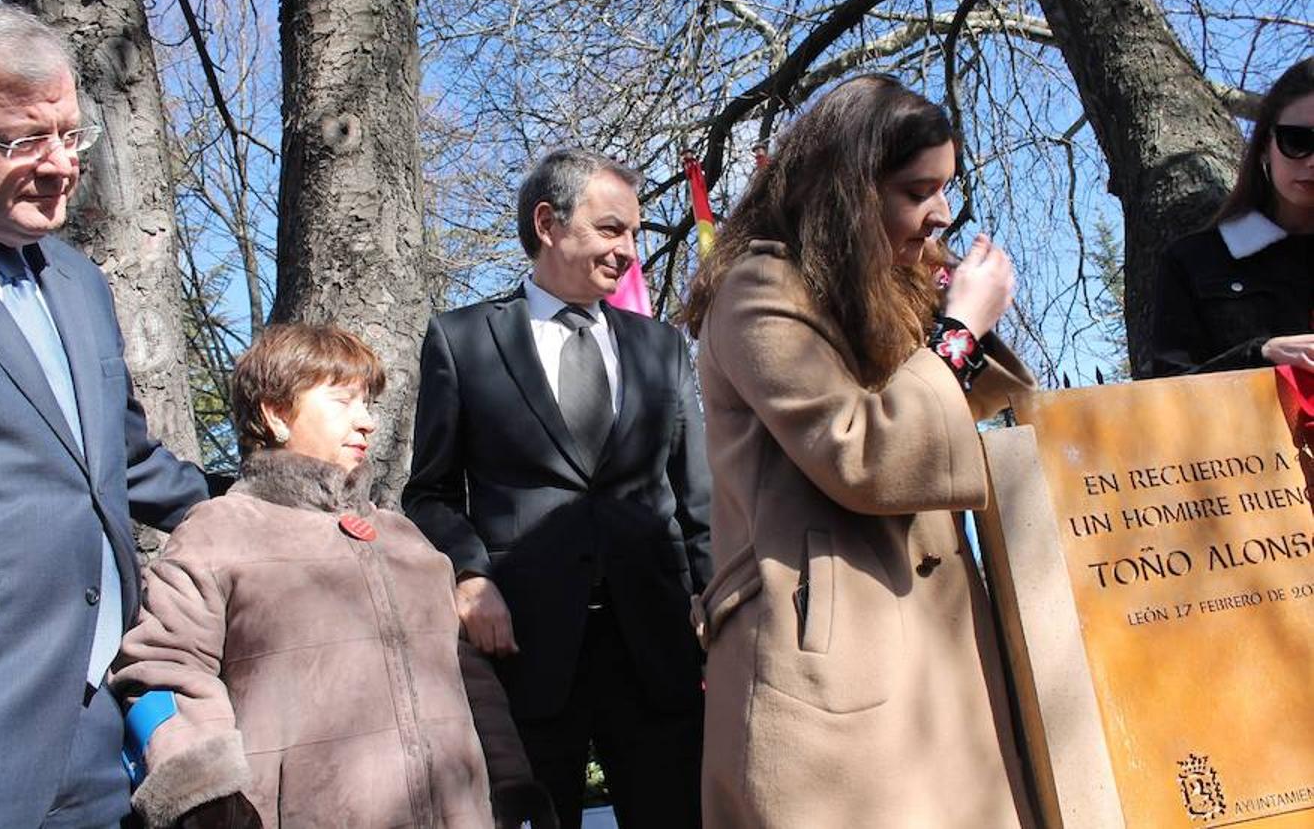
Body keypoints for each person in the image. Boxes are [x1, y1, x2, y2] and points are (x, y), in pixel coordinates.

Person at [684, 75, 1039, 828]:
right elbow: (863, 454)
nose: (941, 212)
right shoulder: (760, 289)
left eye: (945, 188)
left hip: (925, 638)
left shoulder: (883, 286)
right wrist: (958, 334)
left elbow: (928, 428)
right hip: (825, 656)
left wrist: (946, 328)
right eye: (918, 190)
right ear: (848, 189)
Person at [112, 323, 555, 829]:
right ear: (276, 414)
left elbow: (472, 681)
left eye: (369, 404)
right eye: (343, 401)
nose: (366, 421)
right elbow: (165, 671)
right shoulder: (219, 531)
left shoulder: (406, 539)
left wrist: (514, 789)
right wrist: (208, 801)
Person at [403, 148, 712, 829]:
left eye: (633, 232)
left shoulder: (662, 346)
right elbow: (429, 493)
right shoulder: (463, 341)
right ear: (548, 223)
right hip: (529, 654)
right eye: (611, 230)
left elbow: (698, 497)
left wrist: (709, 593)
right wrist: (470, 576)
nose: (629, 250)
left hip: (656, 650)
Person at [0, 0, 209, 828]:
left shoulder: (78, 282)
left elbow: (123, 461)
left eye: (71, 134)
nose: (62, 163)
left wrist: (272, 513)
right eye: (23, 139)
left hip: (101, 717)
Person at [1147, 57, 1314, 377]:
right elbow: (1167, 391)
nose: (1312, 162)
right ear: (1265, 146)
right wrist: (1260, 354)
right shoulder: (1194, 261)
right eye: (1297, 141)